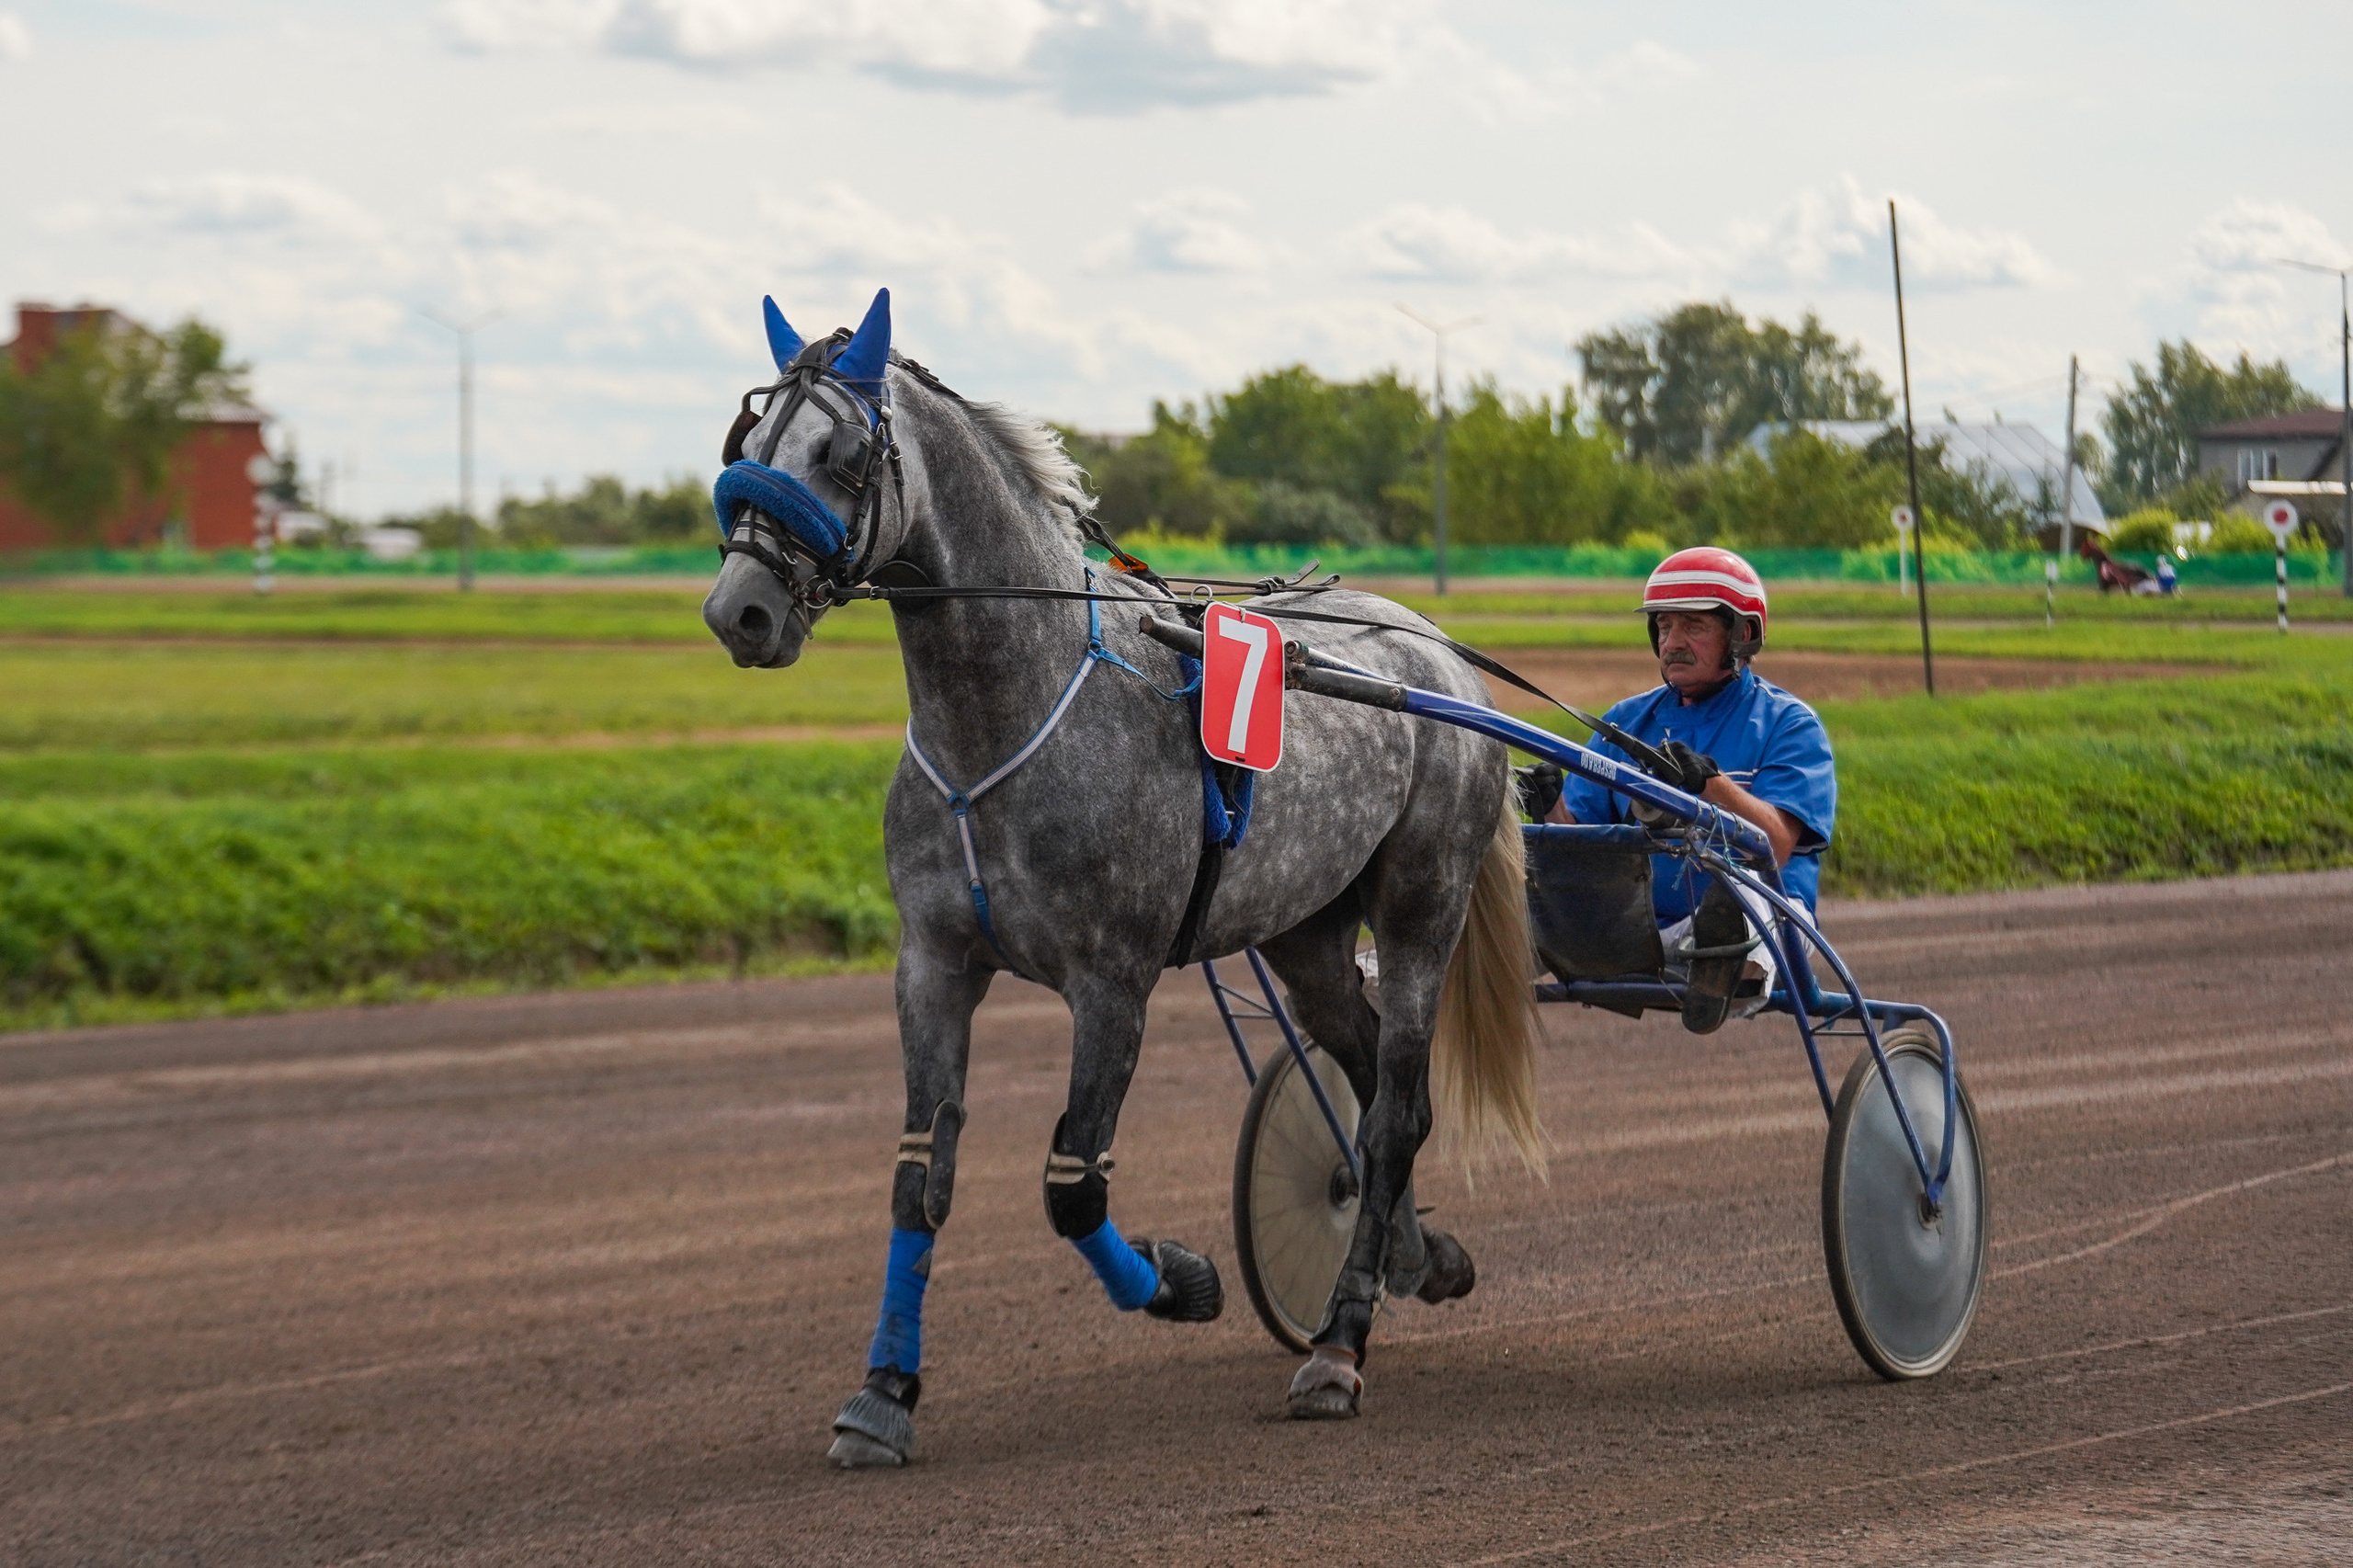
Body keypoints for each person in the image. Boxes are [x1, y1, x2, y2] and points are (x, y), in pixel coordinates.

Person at [1518, 548, 1836, 1035]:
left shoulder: (1789, 724)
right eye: (1664, 628)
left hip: (1759, 927)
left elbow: (1774, 845)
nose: (1673, 642)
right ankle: (1383, 976)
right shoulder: (1626, 721)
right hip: (1635, 930)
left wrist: (1711, 787)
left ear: (1742, 634)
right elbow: (1571, 842)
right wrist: (1544, 810)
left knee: (1745, 913)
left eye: (1693, 626)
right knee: (1510, 902)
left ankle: (1720, 964)